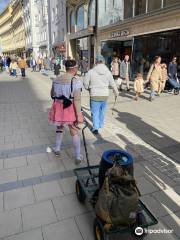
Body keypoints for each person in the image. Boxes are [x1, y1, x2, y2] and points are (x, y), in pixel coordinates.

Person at [48, 60, 83, 164]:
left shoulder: (56, 79)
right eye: (77, 68)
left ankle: (57, 148)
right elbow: (77, 100)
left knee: (59, 127)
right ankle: (77, 156)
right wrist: (79, 114)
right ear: (74, 69)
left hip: (58, 106)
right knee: (74, 130)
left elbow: (52, 94)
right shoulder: (75, 81)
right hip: (70, 107)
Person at [84, 54, 118, 135]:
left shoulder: (91, 72)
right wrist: (116, 91)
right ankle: (101, 124)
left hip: (94, 95)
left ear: (96, 62)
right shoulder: (108, 72)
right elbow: (112, 83)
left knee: (95, 112)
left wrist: (89, 88)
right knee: (102, 111)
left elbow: (85, 83)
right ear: (103, 62)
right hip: (105, 95)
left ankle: (95, 128)